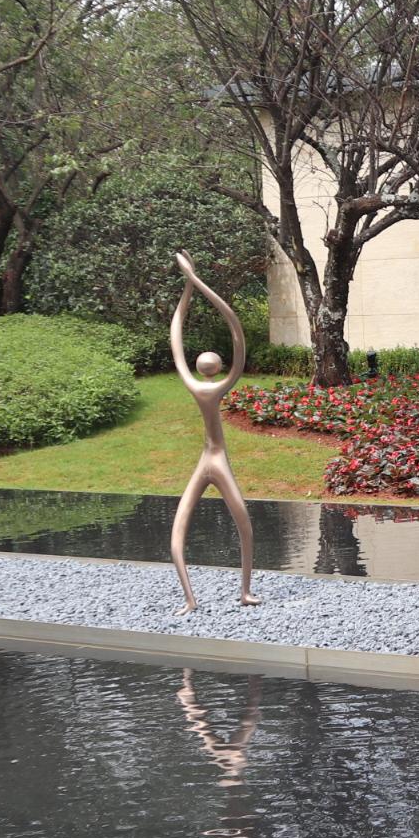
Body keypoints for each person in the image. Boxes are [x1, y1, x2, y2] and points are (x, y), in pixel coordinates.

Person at [167, 251, 257, 614]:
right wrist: (195, 282)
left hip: (206, 460)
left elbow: (176, 337)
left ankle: (191, 599)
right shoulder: (220, 386)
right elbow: (236, 334)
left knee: (179, 531)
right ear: (217, 367)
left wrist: (189, 287)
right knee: (244, 526)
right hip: (216, 461)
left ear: (201, 366)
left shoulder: (193, 384)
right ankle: (243, 591)